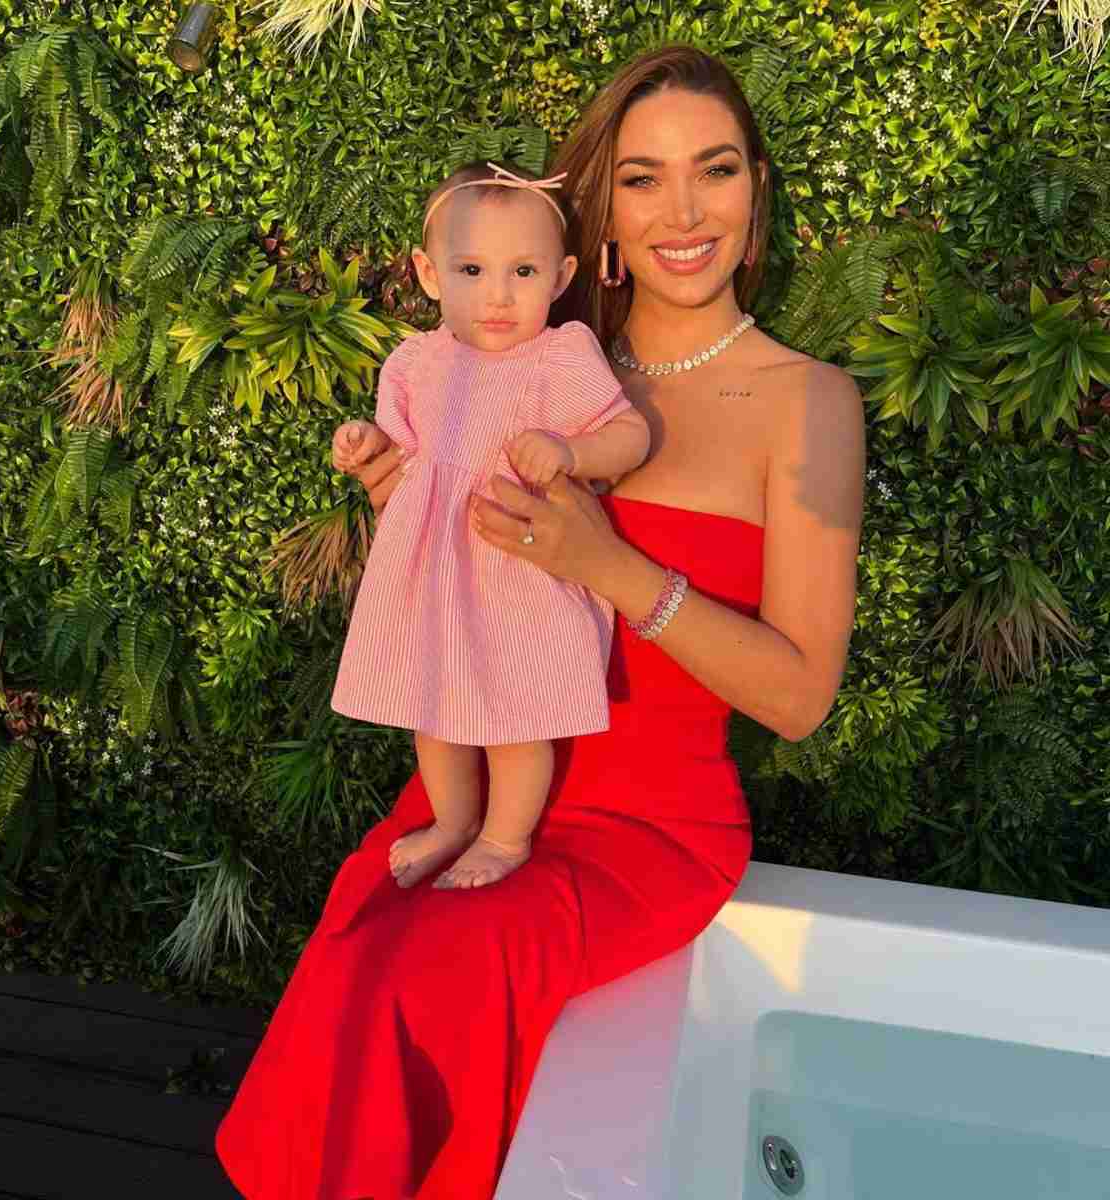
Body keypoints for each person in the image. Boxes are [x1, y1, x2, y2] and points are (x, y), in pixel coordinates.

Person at [215, 43, 864, 1200]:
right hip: (487, 778)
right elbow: (466, 581)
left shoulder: (806, 401)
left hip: (649, 827)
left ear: (756, 189)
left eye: (714, 170)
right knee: (364, 940)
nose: (683, 212)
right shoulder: (530, 363)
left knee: (432, 976)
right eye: (643, 178)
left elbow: (802, 698)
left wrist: (610, 569)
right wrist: (411, 510)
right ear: (600, 217)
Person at [329, 160, 651, 892]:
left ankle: (506, 837)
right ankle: (452, 820)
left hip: (521, 573)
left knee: (516, 715)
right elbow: (399, 457)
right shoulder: (416, 362)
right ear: (430, 273)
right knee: (433, 711)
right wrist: (365, 445)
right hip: (433, 574)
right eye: (472, 270)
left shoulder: (560, 356)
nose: (498, 295)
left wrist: (572, 451)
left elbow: (630, 434)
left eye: (523, 272)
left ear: (561, 277)